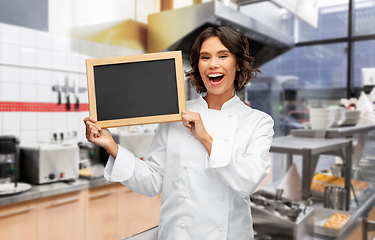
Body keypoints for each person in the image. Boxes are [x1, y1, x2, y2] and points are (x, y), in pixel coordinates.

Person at [84, 26, 274, 240]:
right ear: (198, 65)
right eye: (205, 57)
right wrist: (112, 146)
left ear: (238, 63)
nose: (213, 64)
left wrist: (205, 137)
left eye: (223, 55)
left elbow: (246, 182)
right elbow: (153, 181)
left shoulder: (257, 122)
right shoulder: (177, 115)